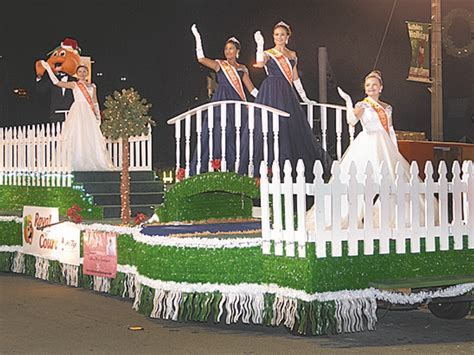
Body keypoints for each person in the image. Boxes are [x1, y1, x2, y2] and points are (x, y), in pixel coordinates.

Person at [306, 70, 433, 230]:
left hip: (385, 144)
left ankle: (390, 215)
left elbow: (390, 130)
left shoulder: (387, 107)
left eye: (374, 85)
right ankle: (351, 215)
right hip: (367, 143)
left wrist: (395, 149)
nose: (371, 88)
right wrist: (348, 102)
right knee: (360, 178)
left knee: (392, 179)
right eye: (368, 85)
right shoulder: (363, 104)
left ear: (381, 87)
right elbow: (351, 121)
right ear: (365, 89)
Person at [238, 21, 332, 179]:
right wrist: (259, 45)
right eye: (276, 35)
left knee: (289, 128)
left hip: (287, 94)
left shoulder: (292, 54)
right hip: (271, 91)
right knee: (267, 127)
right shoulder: (268, 53)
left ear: (287, 37)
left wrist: (305, 97)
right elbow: (260, 63)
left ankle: (287, 168)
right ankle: (264, 170)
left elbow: (295, 79)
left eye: (282, 34)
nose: (279, 37)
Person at [189, 24, 259, 175]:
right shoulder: (220, 65)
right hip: (221, 101)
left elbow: (251, 90)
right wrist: (197, 38)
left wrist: (266, 97)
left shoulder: (242, 68)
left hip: (237, 104)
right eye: (226, 49)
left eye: (231, 49)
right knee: (217, 132)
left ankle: (235, 168)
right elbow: (201, 59)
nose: (228, 51)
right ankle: (213, 166)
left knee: (236, 133)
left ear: (237, 51)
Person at [40, 60, 115, 171]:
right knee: (76, 134)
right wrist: (48, 70)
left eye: (84, 71)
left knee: (90, 135)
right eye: (80, 71)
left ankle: (92, 159)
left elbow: (95, 101)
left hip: (89, 112)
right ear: (76, 73)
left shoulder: (93, 86)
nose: (82, 73)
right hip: (77, 110)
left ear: (87, 73)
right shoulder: (74, 84)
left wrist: (98, 116)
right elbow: (57, 83)